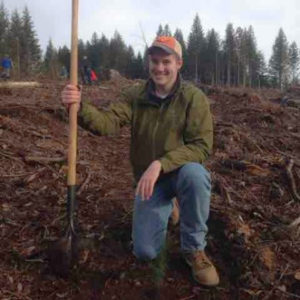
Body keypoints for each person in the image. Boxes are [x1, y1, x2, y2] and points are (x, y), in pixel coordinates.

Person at [61, 36, 219, 286]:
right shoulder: (136, 95)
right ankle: (169, 205)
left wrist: (160, 164)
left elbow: (201, 146)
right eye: (154, 61)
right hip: (150, 184)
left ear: (179, 63)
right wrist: (80, 107)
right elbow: (107, 123)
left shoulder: (193, 98)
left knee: (196, 175)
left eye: (166, 61)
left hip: (178, 173)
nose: (159, 68)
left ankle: (194, 250)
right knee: (145, 252)